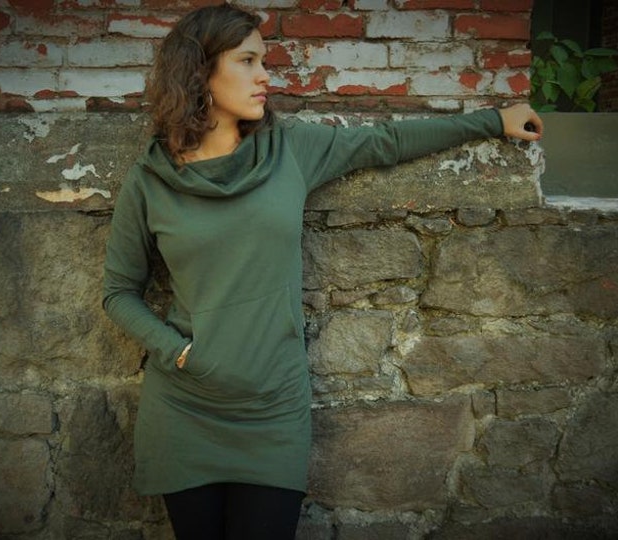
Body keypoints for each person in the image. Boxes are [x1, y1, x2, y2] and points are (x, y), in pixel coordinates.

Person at [102, 4, 544, 539]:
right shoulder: (150, 179)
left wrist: (493, 121)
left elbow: (386, 142)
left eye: (263, 61)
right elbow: (118, 291)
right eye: (247, 60)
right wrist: (178, 351)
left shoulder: (289, 150)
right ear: (200, 72)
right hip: (186, 404)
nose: (265, 76)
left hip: (273, 404)